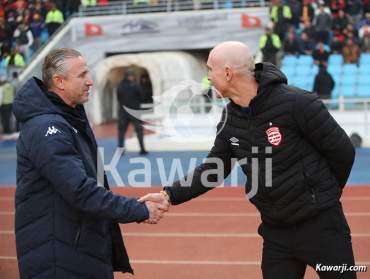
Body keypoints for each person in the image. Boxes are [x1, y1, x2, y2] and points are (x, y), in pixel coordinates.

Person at [140, 41, 357, 279]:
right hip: (276, 232)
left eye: (210, 69)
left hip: (322, 228)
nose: (208, 77)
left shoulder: (298, 103)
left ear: (228, 73)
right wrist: (168, 195)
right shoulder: (229, 117)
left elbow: (343, 151)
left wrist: (321, 196)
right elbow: (214, 168)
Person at [13, 48, 168, 279]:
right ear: (59, 82)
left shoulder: (68, 117)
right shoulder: (48, 128)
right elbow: (80, 190)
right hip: (59, 257)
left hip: (76, 248)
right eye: (82, 75)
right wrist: (139, 209)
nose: (90, 81)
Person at [116, 70, 148, 155]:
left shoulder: (120, 86)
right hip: (132, 111)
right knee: (131, 131)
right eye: (130, 76)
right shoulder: (135, 86)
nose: (131, 77)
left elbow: (118, 97)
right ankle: (140, 149)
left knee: (124, 131)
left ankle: (140, 149)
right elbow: (142, 96)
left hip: (126, 111)